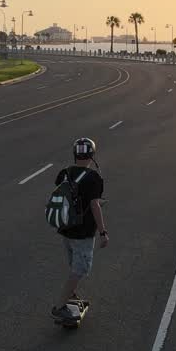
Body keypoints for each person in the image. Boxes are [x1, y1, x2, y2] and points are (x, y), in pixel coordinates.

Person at [51, 137, 107, 322]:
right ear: (92, 155)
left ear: (75, 154)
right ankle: (60, 307)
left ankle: (72, 296)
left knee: (73, 264)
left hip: (66, 228)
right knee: (80, 269)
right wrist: (103, 232)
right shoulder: (94, 178)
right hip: (83, 233)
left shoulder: (64, 173)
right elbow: (94, 205)